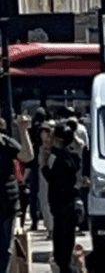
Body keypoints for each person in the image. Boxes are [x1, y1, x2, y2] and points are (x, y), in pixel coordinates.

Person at [43, 122, 80, 273]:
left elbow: (52, 177)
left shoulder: (56, 156)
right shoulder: (73, 154)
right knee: (67, 238)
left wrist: (44, 166)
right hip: (69, 201)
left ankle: (64, 267)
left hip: (60, 203)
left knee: (61, 242)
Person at [0, 113, 34, 273]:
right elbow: (27, 156)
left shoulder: (4, 142)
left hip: (6, 202)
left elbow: (27, 156)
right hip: (7, 201)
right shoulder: (4, 142)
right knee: (3, 247)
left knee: (3, 247)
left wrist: (23, 131)